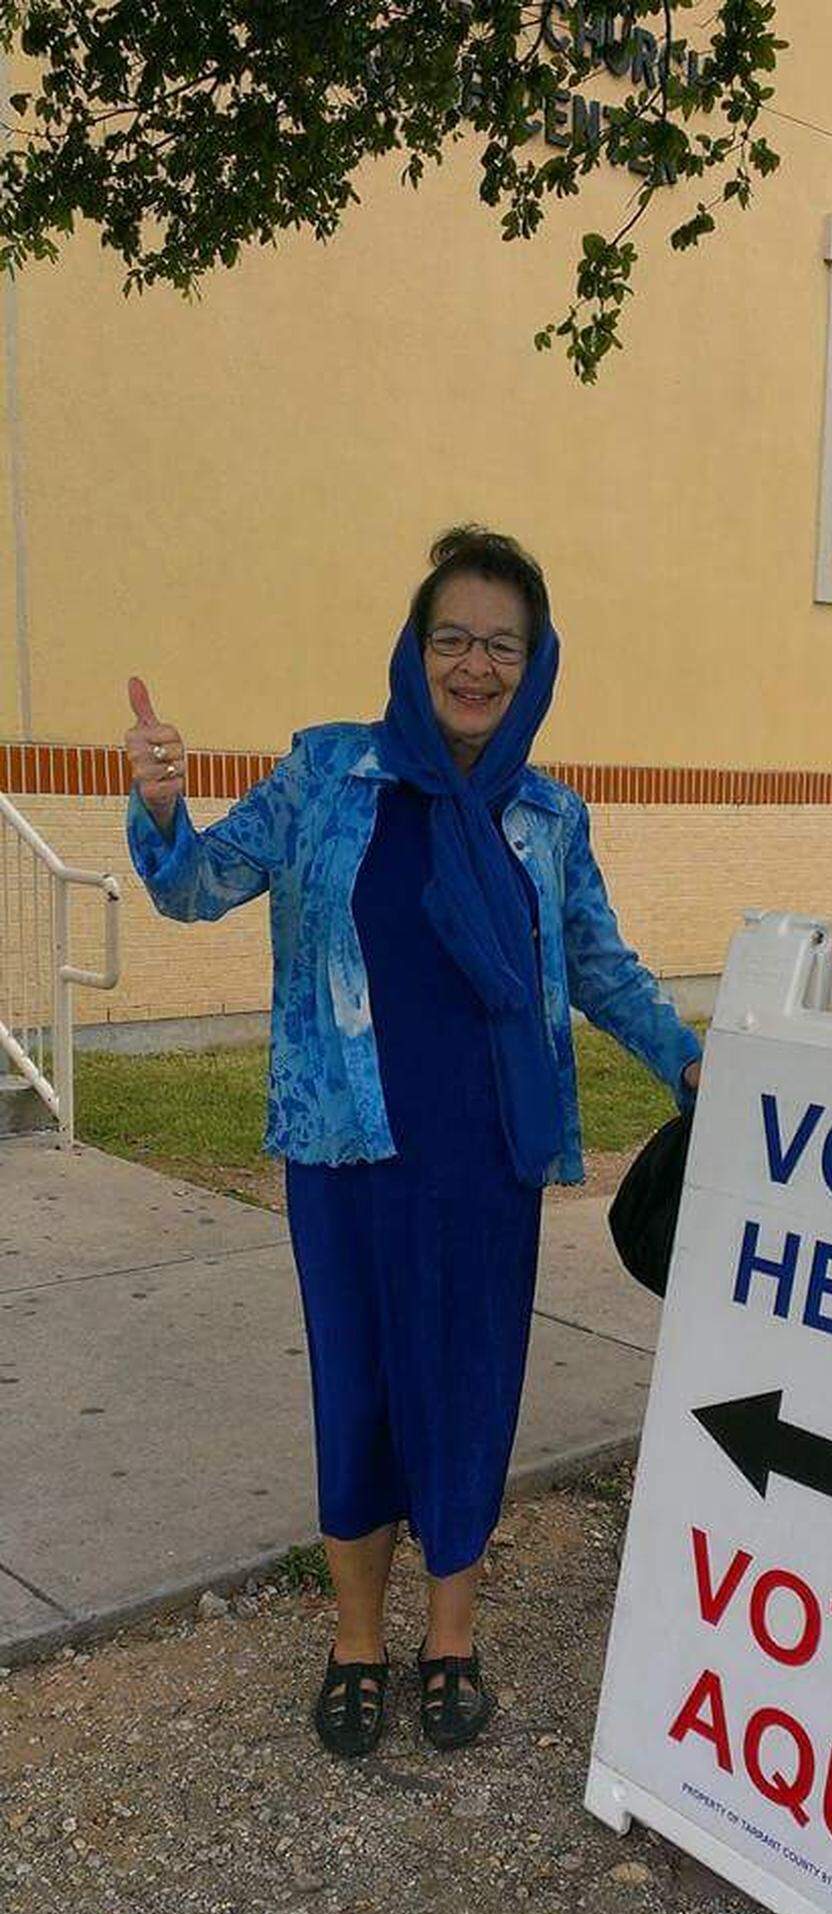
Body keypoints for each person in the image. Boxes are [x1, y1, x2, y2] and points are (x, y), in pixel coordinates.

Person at [124, 526, 702, 1760]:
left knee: (469, 1387)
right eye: (454, 637)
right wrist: (162, 807)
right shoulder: (328, 773)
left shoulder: (547, 816)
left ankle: (450, 1632)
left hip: (486, 1160)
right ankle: (356, 1637)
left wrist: (694, 1059)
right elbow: (195, 887)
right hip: (347, 1152)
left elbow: (598, 965)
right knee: (360, 1387)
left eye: (503, 643)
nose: (475, 665)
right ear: (414, 645)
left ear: (536, 662)